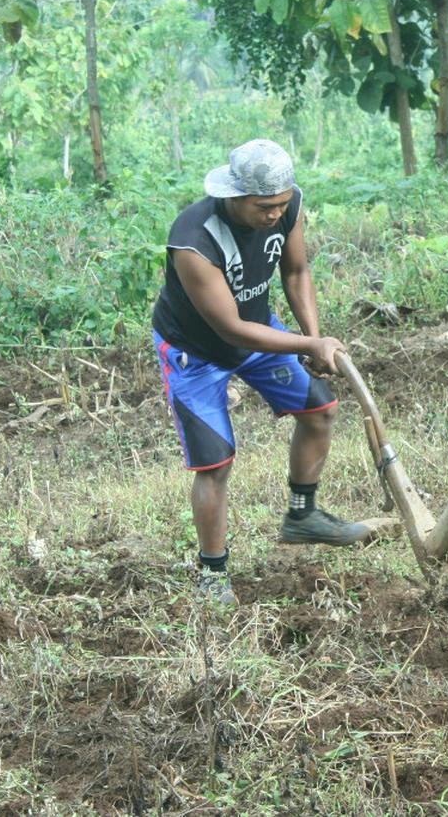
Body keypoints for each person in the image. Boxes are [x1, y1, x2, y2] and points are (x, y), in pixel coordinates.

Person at [152, 139, 371, 606]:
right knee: (216, 462)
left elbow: (295, 272)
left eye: (281, 204)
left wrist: (313, 339)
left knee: (319, 410)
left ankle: (302, 515)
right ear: (234, 196)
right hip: (196, 352)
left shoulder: (288, 207)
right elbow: (229, 328)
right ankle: (213, 575)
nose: (274, 214)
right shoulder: (194, 240)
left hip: (259, 329)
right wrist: (309, 344)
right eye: (263, 206)